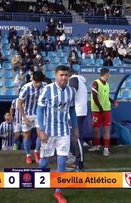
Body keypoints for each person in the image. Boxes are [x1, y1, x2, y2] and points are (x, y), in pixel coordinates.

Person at [37, 65, 78, 203]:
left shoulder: (71, 91)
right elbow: (40, 110)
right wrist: (41, 130)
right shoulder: (46, 90)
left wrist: (75, 128)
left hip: (64, 131)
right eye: (61, 75)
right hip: (49, 131)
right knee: (44, 162)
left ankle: (58, 192)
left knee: (62, 162)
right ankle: (39, 174)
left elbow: (72, 110)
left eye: (66, 75)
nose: (64, 77)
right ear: (55, 75)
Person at [18, 71, 46, 164]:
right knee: (27, 135)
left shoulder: (45, 86)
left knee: (40, 134)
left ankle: (37, 152)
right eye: (36, 82)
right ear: (32, 79)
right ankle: (28, 155)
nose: (38, 84)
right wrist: (24, 118)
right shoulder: (26, 87)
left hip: (39, 114)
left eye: (39, 82)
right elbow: (19, 103)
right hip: (27, 114)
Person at [88, 68, 118, 157]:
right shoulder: (95, 83)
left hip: (107, 110)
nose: (110, 75)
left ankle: (106, 149)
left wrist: (113, 102)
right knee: (96, 129)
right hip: (97, 111)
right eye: (109, 74)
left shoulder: (107, 84)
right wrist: (100, 108)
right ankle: (97, 145)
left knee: (106, 129)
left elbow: (107, 96)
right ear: (105, 74)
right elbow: (94, 97)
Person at [68, 68, 87, 171]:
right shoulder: (80, 80)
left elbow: (71, 93)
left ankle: (80, 164)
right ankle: (76, 161)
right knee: (74, 138)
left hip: (77, 112)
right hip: (79, 111)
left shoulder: (74, 79)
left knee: (76, 138)